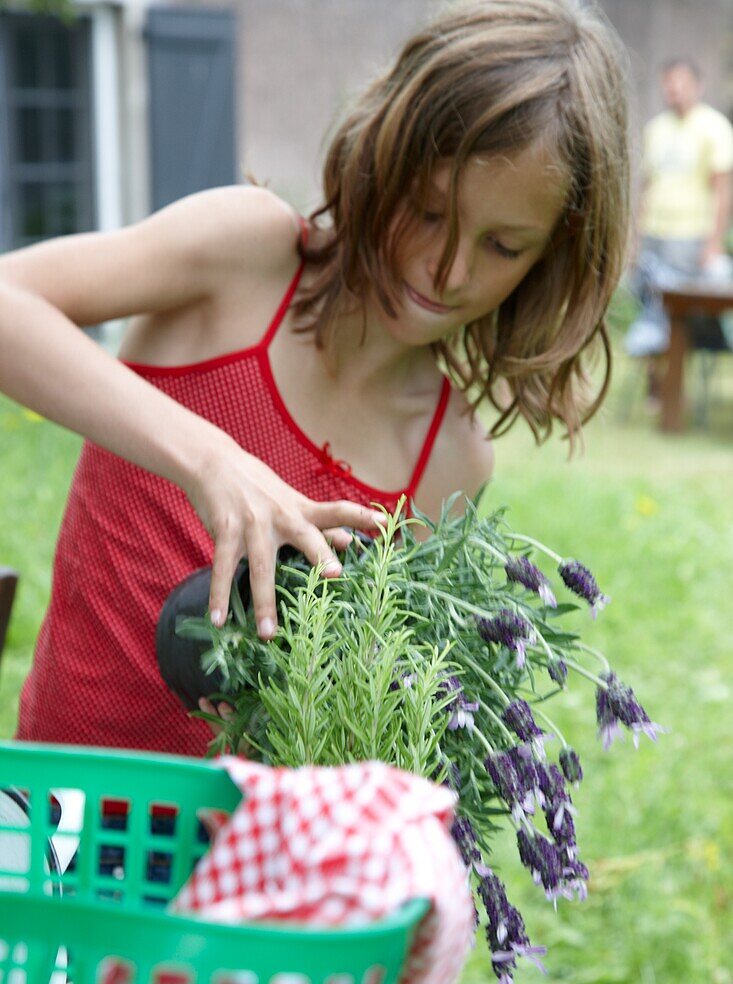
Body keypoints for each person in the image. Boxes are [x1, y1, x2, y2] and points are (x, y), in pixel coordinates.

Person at [0, 0, 631, 757]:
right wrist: (212, 460)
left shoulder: (446, 457)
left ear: (550, 258)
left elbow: (345, 697)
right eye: (429, 212)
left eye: (501, 245)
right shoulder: (248, 255)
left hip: (241, 864)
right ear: (385, 155)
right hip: (63, 817)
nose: (448, 269)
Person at [625, 58, 733, 371]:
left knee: (681, 314)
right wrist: (635, 235)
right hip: (654, 235)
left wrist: (714, 241)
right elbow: (645, 188)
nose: (674, 89)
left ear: (697, 86)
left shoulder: (713, 127)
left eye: (681, 81)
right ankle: (654, 383)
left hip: (690, 239)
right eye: (669, 82)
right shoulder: (656, 129)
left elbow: (722, 189)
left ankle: (676, 379)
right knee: (649, 310)